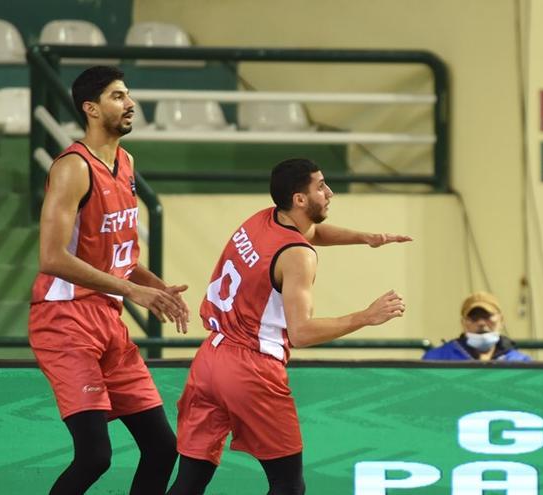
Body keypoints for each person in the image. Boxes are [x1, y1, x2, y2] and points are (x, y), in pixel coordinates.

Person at [166, 158, 410, 495]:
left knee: (191, 480)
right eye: (321, 186)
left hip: (209, 359)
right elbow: (301, 332)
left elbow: (309, 232)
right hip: (251, 369)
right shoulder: (298, 256)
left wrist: (366, 237)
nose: (330, 193)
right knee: (288, 485)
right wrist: (365, 316)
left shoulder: (262, 219)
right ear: (299, 199)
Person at [28, 65, 191, 495]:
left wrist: (154, 285)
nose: (130, 103)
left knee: (162, 447)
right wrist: (132, 290)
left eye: (128, 94)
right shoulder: (72, 168)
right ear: (91, 109)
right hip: (64, 320)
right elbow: (51, 257)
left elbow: (119, 254)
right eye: (118, 96)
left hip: (107, 320)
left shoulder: (126, 162)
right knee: (95, 456)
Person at [422, 291, 531, 362]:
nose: (481, 323)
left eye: (487, 316)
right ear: (463, 323)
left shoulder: (521, 362)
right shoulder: (437, 359)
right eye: (474, 317)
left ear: (501, 320)